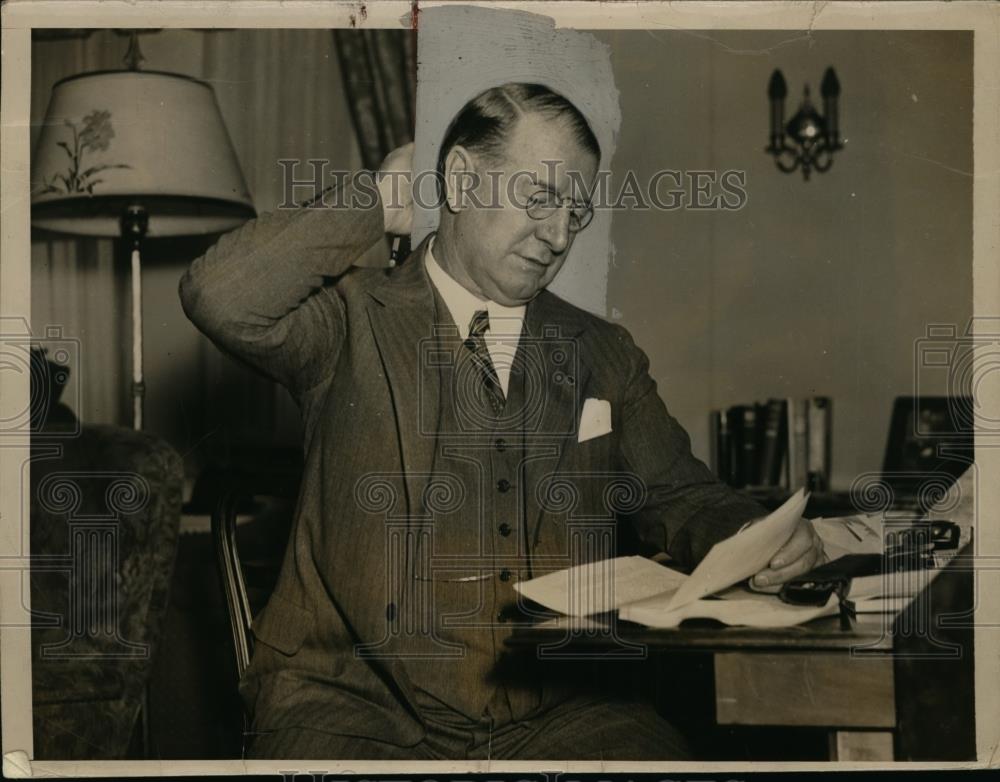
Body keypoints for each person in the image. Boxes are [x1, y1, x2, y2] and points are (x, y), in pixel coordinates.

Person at [179, 83, 824, 760]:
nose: (557, 237)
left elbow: (680, 495)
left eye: (576, 213)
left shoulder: (604, 352)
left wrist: (756, 535)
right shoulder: (349, 318)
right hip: (351, 705)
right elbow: (220, 297)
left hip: (556, 710)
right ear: (461, 178)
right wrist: (375, 198)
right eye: (540, 198)